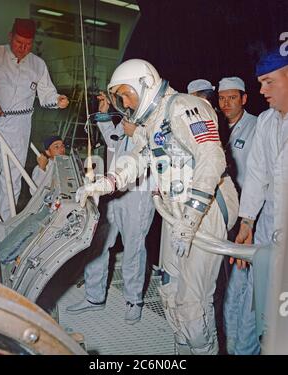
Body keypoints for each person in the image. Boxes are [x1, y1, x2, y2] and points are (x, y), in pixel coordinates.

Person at [75, 59, 239, 354]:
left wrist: (190, 221)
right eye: (120, 97)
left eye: (127, 94)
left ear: (146, 83)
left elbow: (212, 159)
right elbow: (136, 159)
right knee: (168, 290)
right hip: (176, 213)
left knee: (192, 306)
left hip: (206, 211)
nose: (124, 102)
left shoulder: (185, 107)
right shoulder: (150, 121)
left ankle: (204, 350)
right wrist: (103, 184)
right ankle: (183, 349)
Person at [66, 91, 156, 325]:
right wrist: (104, 116)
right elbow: (115, 141)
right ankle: (94, 297)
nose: (124, 102)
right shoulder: (127, 120)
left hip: (138, 195)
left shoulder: (152, 121)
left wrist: (134, 131)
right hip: (113, 192)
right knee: (98, 243)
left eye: (126, 96)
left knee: (134, 248)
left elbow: (153, 151)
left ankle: (133, 300)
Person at [229, 48, 288, 353]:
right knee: (255, 306)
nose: (262, 91)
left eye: (268, 82)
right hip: (266, 232)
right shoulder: (266, 122)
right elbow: (256, 175)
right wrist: (247, 221)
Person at [0, 18, 69, 221]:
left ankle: (4, 223)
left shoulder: (38, 65)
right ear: (10, 37)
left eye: (28, 44)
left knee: (13, 177)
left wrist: (57, 100)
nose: (23, 48)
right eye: (18, 43)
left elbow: (46, 94)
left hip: (20, 126)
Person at [218, 77, 259, 355]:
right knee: (227, 276)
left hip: (249, 214)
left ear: (244, 99)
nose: (226, 103)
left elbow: (259, 176)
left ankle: (238, 344)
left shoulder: (257, 127)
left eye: (233, 98)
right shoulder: (218, 128)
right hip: (225, 212)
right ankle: (229, 337)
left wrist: (250, 219)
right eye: (222, 98)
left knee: (242, 280)